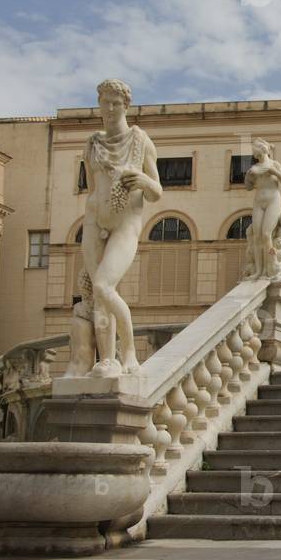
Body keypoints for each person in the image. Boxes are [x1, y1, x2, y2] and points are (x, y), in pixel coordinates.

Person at [81, 79, 163, 376]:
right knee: (98, 297)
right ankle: (106, 359)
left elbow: (156, 191)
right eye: (106, 102)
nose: (111, 108)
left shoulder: (141, 142)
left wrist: (142, 181)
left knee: (104, 285)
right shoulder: (92, 144)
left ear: (126, 106)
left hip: (126, 224)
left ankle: (128, 352)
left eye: (117, 103)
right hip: (94, 221)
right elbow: (92, 188)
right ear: (99, 104)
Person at [244, 138, 281, 280]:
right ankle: (258, 271)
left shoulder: (274, 164)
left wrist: (272, 171)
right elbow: (248, 187)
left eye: (254, 149)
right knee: (257, 236)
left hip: (273, 200)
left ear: (262, 149)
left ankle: (271, 266)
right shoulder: (254, 168)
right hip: (259, 201)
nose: (252, 152)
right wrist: (248, 176)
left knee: (266, 234)